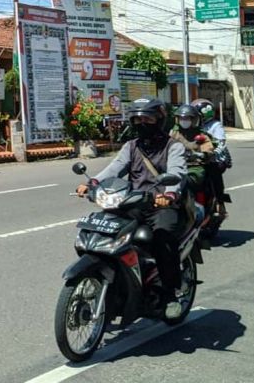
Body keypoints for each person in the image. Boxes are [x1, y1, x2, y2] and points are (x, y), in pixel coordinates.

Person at [75, 98, 188, 319]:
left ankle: (170, 293)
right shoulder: (131, 146)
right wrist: (92, 183)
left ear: (160, 120)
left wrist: (170, 193)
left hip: (160, 205)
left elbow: (178, 172)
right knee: (104, 228)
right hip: (131, 201)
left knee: (162, 239)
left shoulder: (173, 146)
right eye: (137, 119)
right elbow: (114, 169)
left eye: (148, 118)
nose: (142, 123)